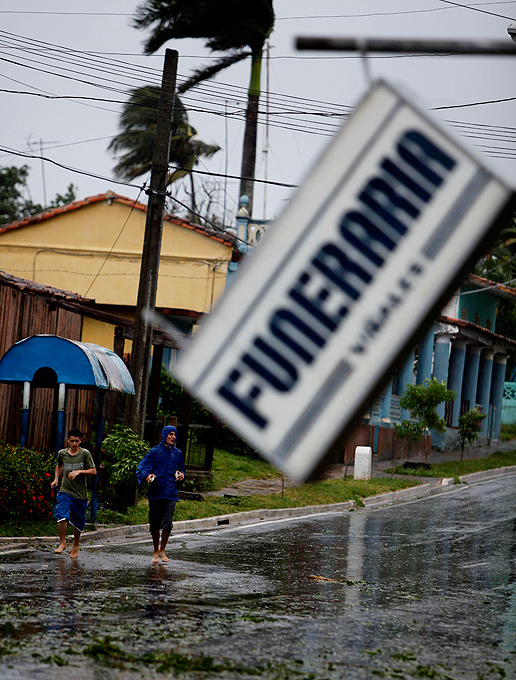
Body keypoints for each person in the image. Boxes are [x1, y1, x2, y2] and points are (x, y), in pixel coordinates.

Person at [136, 425, 185, 563]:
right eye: (170, 434)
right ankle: (155, 551)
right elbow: (141, 468)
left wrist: (181, 475)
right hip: (156, 493)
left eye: (175, 434)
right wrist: (147, 475)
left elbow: (182, 469)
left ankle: (162, 550)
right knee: (155, 524)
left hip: (171, 493)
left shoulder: (178, 453)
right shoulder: (154, 452)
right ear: (164, 435)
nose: (173, 437)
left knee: (168, 524)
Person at [51, 428, 97, 559]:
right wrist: (56, 479)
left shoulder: (85, 454)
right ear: (68, 440)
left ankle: (76, 544)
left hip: (80, 494)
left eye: (77, 441)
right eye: (72, 441)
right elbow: (59, 466)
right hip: (65, 490)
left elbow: (93, 471)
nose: (74, 444)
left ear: (80, 441)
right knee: (62, 514)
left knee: (78, 521)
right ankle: (62, 542)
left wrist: (79, 472)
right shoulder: (62, 453)